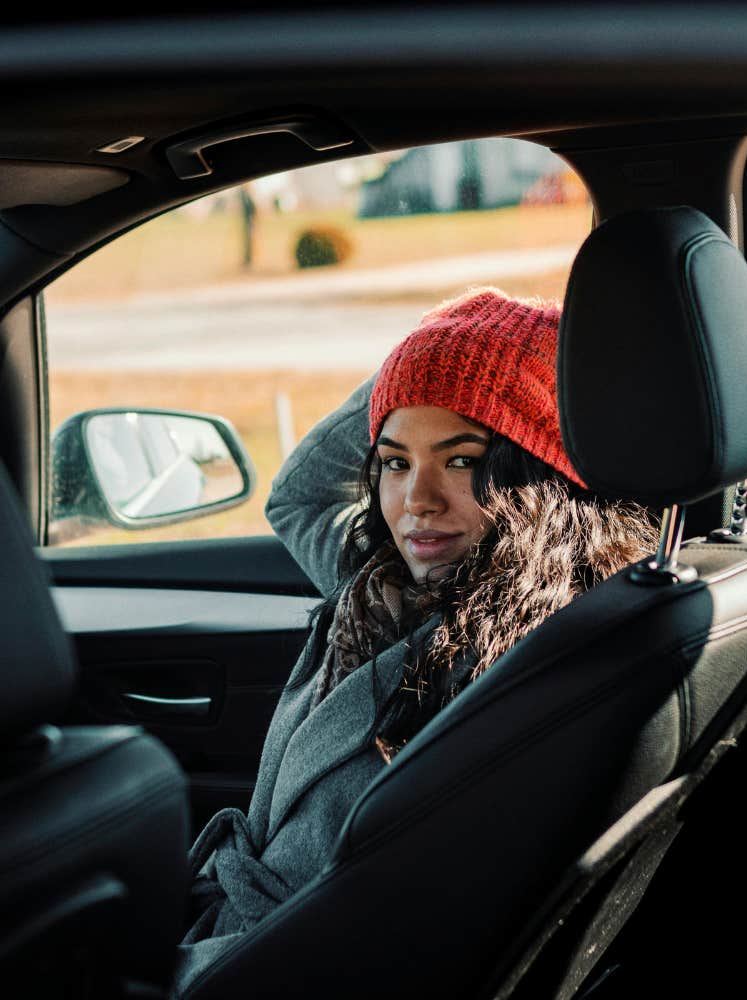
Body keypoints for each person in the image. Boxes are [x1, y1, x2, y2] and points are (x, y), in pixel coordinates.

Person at [172, 286, 659, 994]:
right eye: (395, 462)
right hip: (244, 932)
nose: (417, 501)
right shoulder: (378, 580)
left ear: (538, 475)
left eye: (462, 460)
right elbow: (299, 496)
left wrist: (485, 357)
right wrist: (430, 351)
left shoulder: (530, 661)